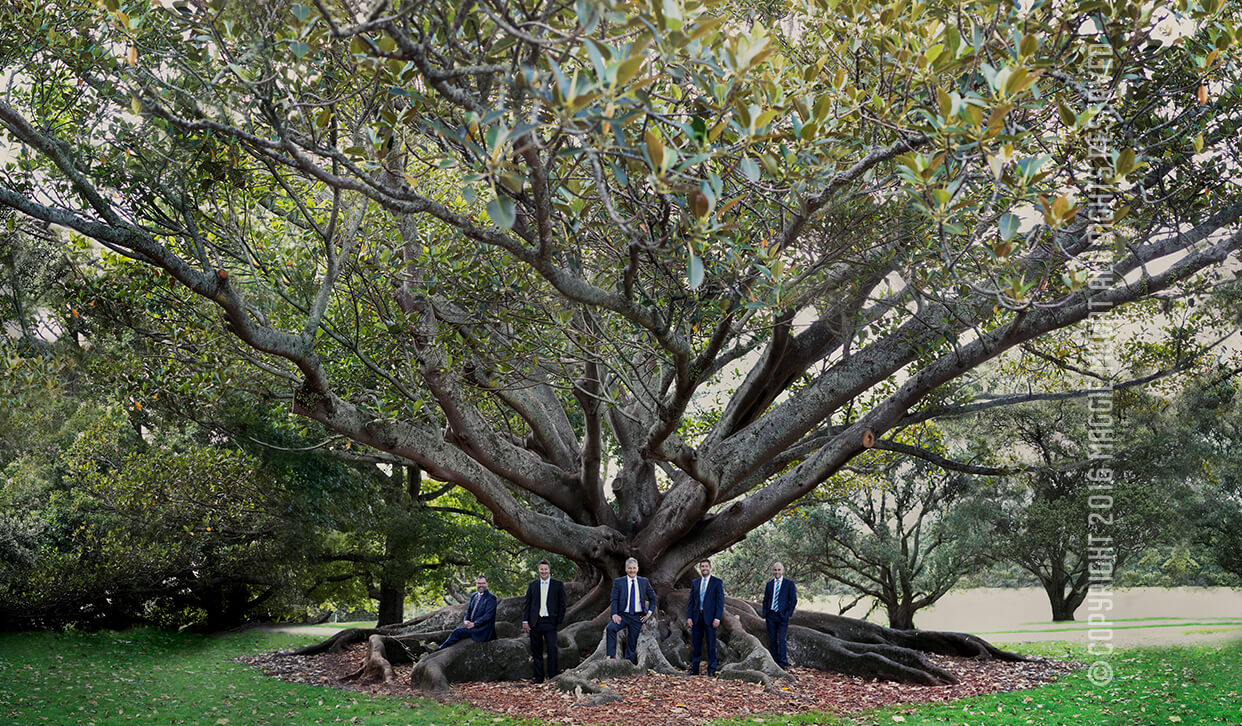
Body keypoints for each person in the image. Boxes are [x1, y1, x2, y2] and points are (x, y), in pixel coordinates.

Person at [521, 559, 567, 683]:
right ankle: (539, 677)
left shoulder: (557, 584)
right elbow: (527, 604)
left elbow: (563, 604)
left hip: (550, 622)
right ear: (538, 570)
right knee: (536, 651)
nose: (543, 571)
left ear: (549, 570)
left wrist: (558, 620)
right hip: (535, 622)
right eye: (541, 569)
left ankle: (552, 676)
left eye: (545, 569)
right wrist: (525, 620)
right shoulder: (533, 584)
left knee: (552, 649)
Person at [606, 557, 657, 664]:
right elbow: (614, 599)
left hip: (637, 617)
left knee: (632, 642)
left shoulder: (644, 581)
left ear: (637, 569)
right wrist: (614, 614)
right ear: (626, 569)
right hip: (623, 615)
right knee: (611, 628)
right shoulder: (619, 582)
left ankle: (628, 664)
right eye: (630, 568)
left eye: (634, 568)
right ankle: (611, 656)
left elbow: (653, 597)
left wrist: (649, 613)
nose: (632, 570)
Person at [684, 558, 725, 676]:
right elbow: (691, 601)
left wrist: (717, 618)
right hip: (697, 617)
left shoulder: (717, 582)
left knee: (711, 644)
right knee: (696, 644)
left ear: (710, 568)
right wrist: (689, 617)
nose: (704, 568)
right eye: (702, 566)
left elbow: (720, 602)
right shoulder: (695, 582)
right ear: (700, 568)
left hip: (711, 618)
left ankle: (712, 670)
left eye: (706, 566)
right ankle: (695, 669)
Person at [439, 575, 498, 649]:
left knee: (457, 632)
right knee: (457, 630)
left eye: (483, 583)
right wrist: (466, 620)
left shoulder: (491, 598)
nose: (481, 585)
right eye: (479, 583)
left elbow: (488, 616)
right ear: (476, 584)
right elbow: (469, 611)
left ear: (487, 584)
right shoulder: (474, 595)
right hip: (472, 626)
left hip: (482, 630)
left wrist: (474, 624)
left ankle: (440, 649)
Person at [761, 561, 796, 669]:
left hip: (782, 616)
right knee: (771, 639)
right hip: (771, 615)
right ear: (773, 571)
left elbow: (793, 600)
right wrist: (765, 613)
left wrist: (788, 614)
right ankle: (774, 662)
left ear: (782, 570)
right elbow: (765, 600)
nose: (777, 572)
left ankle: (782, 663)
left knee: (781, 639)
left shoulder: (789, 584)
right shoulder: (769, 584)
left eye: (779, 570)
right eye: (775, 570)